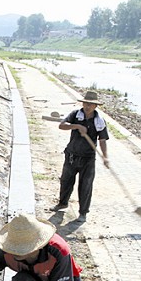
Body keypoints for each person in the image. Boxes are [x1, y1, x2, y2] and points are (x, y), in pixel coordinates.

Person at [52, 90, 110, 223]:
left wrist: (105, 157)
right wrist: (77, 126)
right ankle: (62, 203)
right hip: (72, 154)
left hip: (88, 158)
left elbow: (102, 140)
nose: (87, 106)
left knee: (86, 185)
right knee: (66, 180)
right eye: (86, 103)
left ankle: (83, 212)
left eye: (90, 104)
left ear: (95, 106)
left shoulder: (99, 121)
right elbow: (62, 125)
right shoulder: (75, 115)